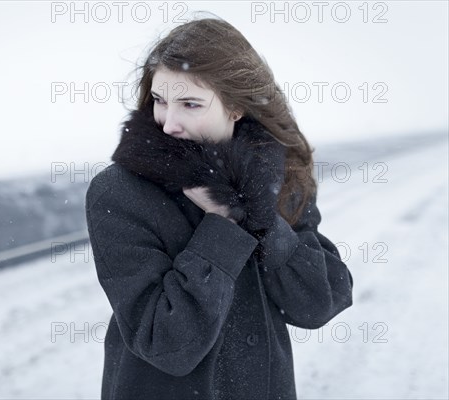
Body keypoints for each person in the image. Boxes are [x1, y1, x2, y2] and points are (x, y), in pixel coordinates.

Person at [85, 16, 353, 400]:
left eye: (190, 103)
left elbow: (321, 301)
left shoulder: (276, 174)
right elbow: (165, 344)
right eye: (161, 100)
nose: (168, 123)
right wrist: (222, 225)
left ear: (236, 108)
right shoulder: (119, 192)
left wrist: (256, 214)